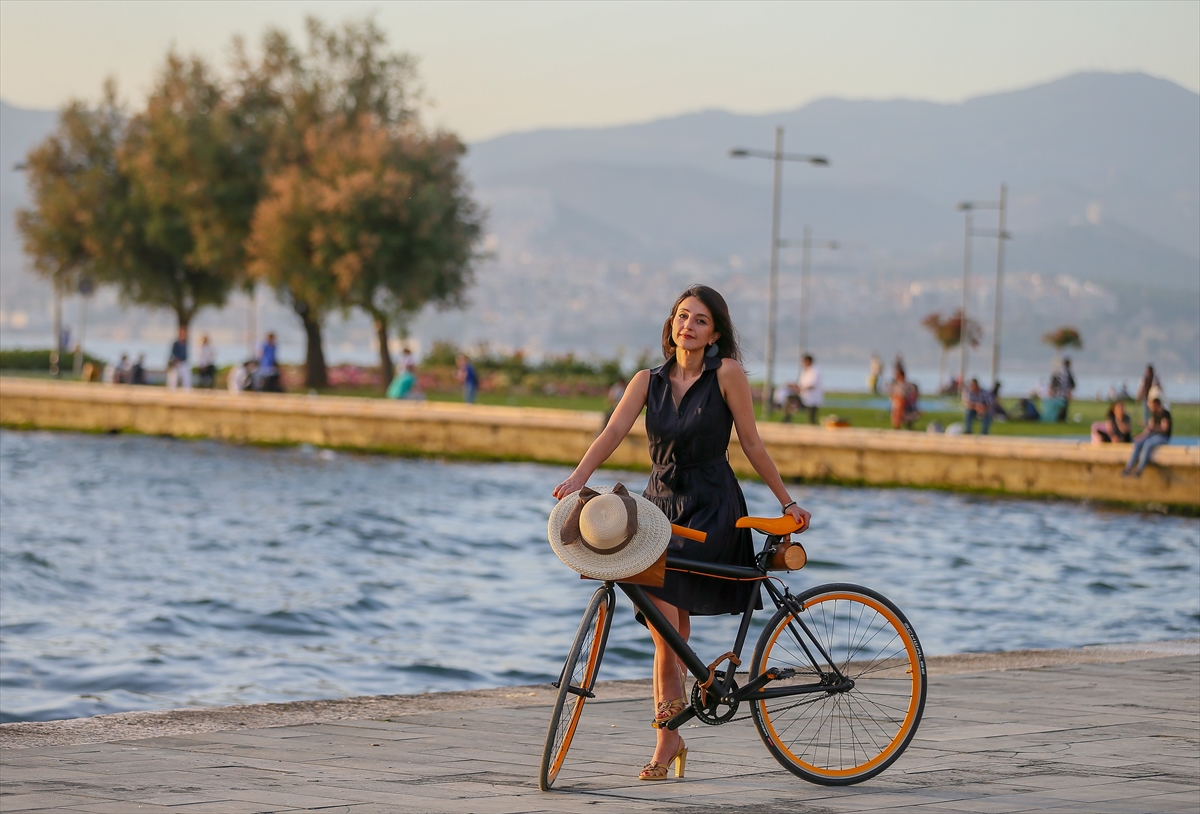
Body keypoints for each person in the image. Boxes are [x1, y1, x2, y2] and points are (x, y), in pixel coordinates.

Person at [551, 285, 810, 781]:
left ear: (715, 334)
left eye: (700, 320)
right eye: (682, 316)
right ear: (671, 324)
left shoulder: (727, 375)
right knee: (663, 631)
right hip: (659, 509)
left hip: (714, 506)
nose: (688, 325)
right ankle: (672, 733)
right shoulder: (646, 381)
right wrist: (579, 477)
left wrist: (787, 501)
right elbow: (611, 432)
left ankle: (678, 724)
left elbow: (752, 443)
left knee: (671, 631)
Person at [1123, 397, 1171, 477]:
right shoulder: (1154, 414)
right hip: (1153, 435)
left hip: (1162, 437)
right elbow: (1149, 429)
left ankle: (1139, 470)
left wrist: (1151, 427)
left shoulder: (1165, 413)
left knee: (1148, 444)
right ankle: (1128, 468)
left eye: (1151, 405)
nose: (1150, 407)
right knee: (1138, 443)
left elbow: (1164, 429)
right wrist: (1140, 436)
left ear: (1157, 404)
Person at [796, 354, 823, 425]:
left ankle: (814, 431)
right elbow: (801, 383)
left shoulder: (815, 371)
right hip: (804, 396)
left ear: (808, 361)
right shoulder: (805, 371)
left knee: (812, 417)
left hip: (813, 398)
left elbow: (812, 385)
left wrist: (802, 389)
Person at [1051, 358, 1075, 422]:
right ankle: (1062, 418)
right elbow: (1071, 383)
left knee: (1058, 406)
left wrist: (1053, 389)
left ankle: (1059, 418)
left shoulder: (1059, 370)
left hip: (1057, 392)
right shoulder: (1067, 372)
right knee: (1064, 406)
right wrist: (1069, 391)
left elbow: (1053, 380)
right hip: (1063, 392)